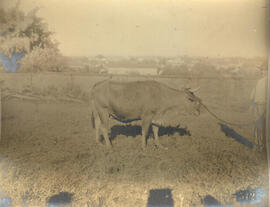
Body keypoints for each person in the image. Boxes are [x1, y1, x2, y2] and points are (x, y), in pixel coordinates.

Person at [250, 66, 268, 151]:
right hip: (257, 105)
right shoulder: (259, 81)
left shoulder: (266, 81)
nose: (262, 71)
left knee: (262, 126)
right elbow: (253, 95)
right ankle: (257, 145)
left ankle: (261, 145)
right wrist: (252, 105)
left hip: (264, 105)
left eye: (264, 70)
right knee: (257, 125)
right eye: (261, 70)